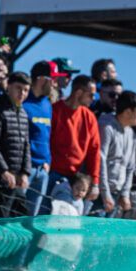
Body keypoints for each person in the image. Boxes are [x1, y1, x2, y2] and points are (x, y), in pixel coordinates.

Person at [48, 75, 102, 210]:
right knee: (43, 216)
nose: (93, 99)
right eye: (91, 95)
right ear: (78, 92)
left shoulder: (89, 117)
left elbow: (94, 151)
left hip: (75, 179)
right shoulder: (55, 110)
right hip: (52, 174)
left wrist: (94, 182)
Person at [0, 71, 32, 218]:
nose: (22, 93)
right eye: (18, 88)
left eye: (25, 90)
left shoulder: (23, 112)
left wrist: (25, 172)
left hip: (17, 178)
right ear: (8, 86)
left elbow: (26, 145)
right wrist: (4, 170)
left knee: (21, 216)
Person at [21, 61, 61, 217]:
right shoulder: (24, 101)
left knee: (31, 220)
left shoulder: (47, 104)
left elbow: (47, 135)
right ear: (42, 79)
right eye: (53, 79)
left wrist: (48, 161)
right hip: (25, 169)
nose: (56, 84)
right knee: (13, 214)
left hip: (42, 170)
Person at [98, 91, 136, 217]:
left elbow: (130, 167)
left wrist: (125, 194)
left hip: (116, 196)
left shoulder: (132, 135)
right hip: (100, 195)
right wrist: (105, 193)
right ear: (128, 112)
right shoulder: (106, 127)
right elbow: (100, 160)